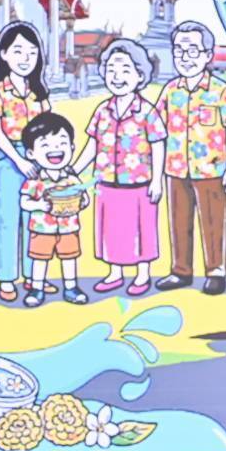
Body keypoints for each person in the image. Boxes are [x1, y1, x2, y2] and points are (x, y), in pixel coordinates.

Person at [154, 20, 226, 296]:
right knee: (179, 221)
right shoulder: (171, 91)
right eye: (179, 51)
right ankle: (180, 270)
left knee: (213, 221)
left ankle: (215, 271)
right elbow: (156, 126)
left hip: (211, 169)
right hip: (176, 168)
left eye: (193, 50)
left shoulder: (220, 91)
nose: (185, 57)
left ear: (207, 55)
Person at [76, 38, 167, 296]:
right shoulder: (102, 111)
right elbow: (93, 145)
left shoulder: (146, 111)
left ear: (140, 76)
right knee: (111, 229)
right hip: (106, 181)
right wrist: (74, 170)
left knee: (141, 229)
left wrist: (157, 180)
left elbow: (158, 145)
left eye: (125, 70)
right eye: (111, 70)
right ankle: (115, 272)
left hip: (139, 183)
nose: (117, 77)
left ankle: (142, 273)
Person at [0, 22, 52, 302]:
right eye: (19, 51)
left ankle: (34, 276)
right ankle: (6, 278)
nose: (26, 58)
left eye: (32, 53)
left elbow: (48, 127)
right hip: (8, 159)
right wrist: (18, 159)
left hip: (38, 159)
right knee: (7, 220)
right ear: (4, 54)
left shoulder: (39, 92)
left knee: (34, 219)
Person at [18, 112, 89, 307]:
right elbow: (24, 202)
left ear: (72, 148)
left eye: (62, 143)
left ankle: (71, 287)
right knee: (40, 260)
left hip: (69, 227)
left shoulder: (72, 179)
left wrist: (83, 201)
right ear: (31, 153)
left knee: (70, 258)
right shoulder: (35, 180)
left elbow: (83, 197)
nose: (55, 149)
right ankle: (37, 288)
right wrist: (39, 205)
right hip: (42, 229)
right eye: (46, 145)